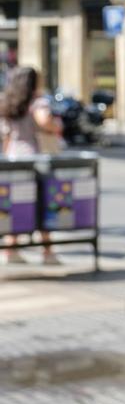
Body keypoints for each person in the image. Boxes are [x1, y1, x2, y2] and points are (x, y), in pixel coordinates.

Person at [0, 66, 61, 265]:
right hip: (33, 158)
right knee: (42, 203)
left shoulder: (8, 103)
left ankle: (10, 250)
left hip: (12, 158)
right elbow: (45, 121)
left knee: (16, 203)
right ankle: (48, 252)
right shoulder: (37, 102)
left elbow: (6, 136)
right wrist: (56, 127)